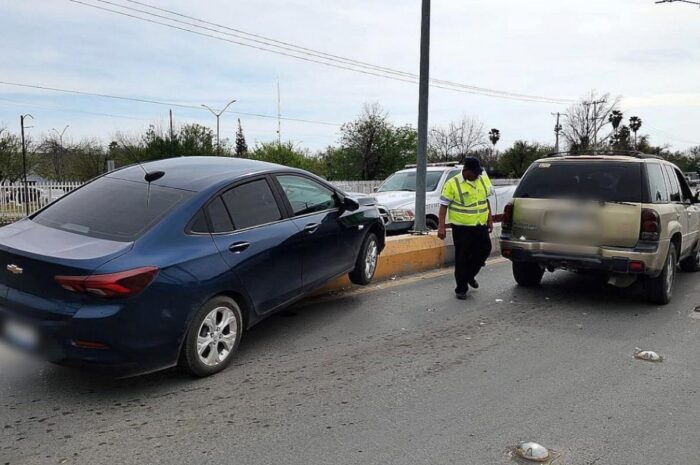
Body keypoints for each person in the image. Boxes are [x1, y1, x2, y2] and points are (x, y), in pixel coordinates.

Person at [437, 157, 494, 300]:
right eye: (474, 172)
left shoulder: (482, 180)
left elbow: (485, 200)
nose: (477, 175)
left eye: (478, 172)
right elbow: (443, 206)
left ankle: (469, 276)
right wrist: (441, 227)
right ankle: (461, 288)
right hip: (461, 228)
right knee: (462, 257)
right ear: (466, 171)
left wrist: (490, 218)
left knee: (485, 250)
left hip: (479, 225)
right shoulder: (452, 184)